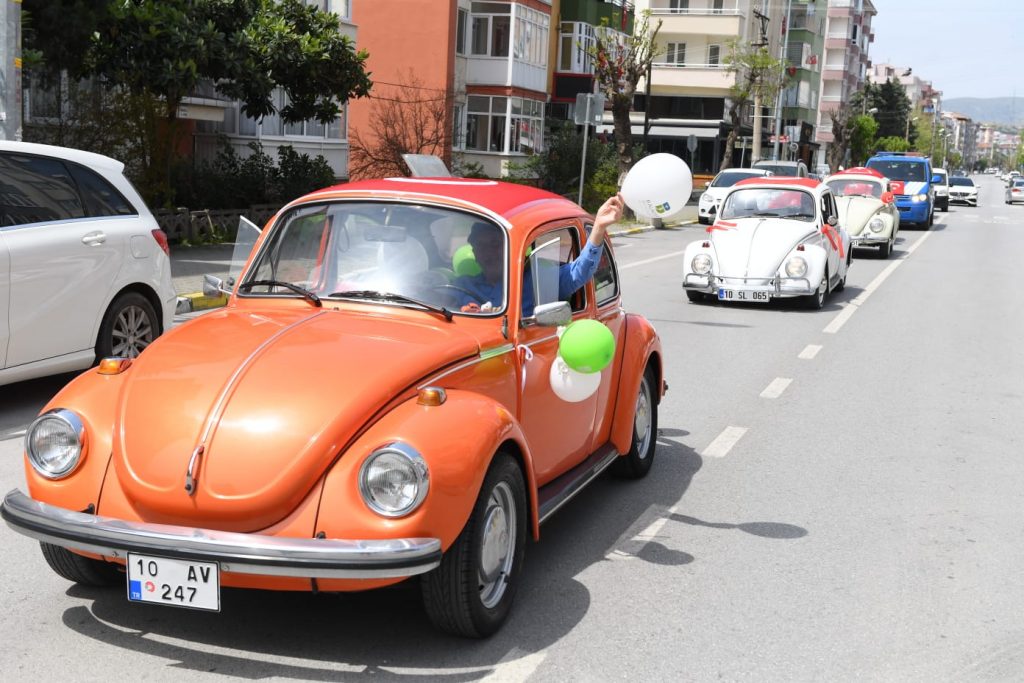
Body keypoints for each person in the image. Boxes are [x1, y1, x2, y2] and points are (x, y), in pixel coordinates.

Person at [453, 193, 624, 314]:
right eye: (481, 246)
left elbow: (580, 271)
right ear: (474, 252)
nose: (488, 252)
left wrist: (599, 227)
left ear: (508, 249)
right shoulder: (462, 285)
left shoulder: (538, 281)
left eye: (495, 244)